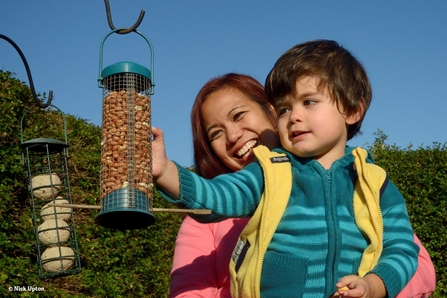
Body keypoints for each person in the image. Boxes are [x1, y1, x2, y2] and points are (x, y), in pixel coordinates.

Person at [152, 40, 420, 297]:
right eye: (284, 109)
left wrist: (373, 286)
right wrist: (165, 172)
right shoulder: (272, 170)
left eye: (309, 102)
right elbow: (218, 197)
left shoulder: (373, 181)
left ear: (352, 110)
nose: (294, 116)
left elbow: (402, 249)